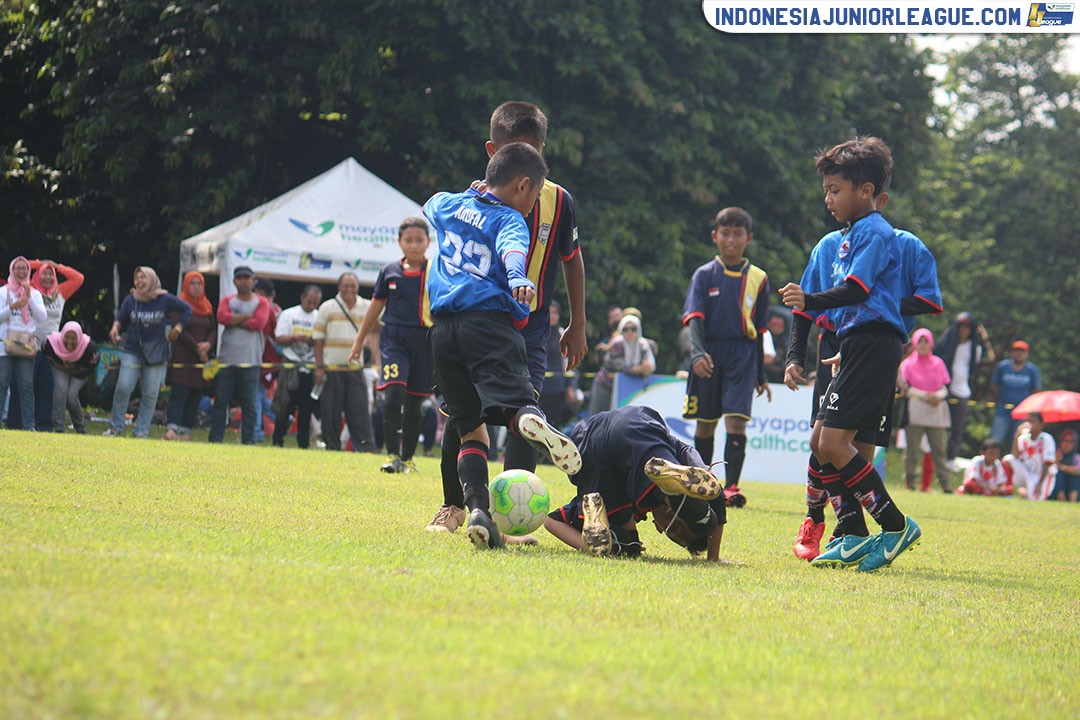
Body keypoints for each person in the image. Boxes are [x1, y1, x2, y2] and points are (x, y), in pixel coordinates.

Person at [426, 101, 588, 533]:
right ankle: (453, 505)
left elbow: (572, 258)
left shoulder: (558, 200)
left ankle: (503, 515)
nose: (529, 161)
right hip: (489, 321)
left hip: (528, 327)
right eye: (519, 149)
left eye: (536, 150)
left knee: (500, 416)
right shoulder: (482, 203)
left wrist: (578, 323)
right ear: (492, 150)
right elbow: (512, 252)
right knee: (468, 413)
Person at [779, 136, 920, 572]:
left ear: (866, 190)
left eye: (835, 190)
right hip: (856, 342)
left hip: (874, 342)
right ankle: (853, 531)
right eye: (826, 190)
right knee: (822, 442)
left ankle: (895, 525)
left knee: (833, 443)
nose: (828, 199)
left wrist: (809, 300)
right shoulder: (850, 234)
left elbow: (857, 289)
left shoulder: (875, 231)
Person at [543, 406, 725, 560]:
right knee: (703, 520)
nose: (674, 517)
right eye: (682, 517)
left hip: (592, 444)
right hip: (634, 431)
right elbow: (714, 491)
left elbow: (551, 521)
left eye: (675, 527)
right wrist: (714, 558)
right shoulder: (674, 461)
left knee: (627, 547)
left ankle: (618, 538)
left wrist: (590, 546)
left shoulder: (638, 505)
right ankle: (674, 494)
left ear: (659, 528)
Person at [682, 206, 770, 509]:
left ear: (748, 238)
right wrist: (697, 353)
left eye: (737, 234)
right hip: (709, 352)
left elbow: (760, 329)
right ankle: (705, 481)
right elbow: (695, 318)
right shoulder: (704, 274)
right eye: (725, 233)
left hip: (742, 355)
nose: (731, 240)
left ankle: (731, 487)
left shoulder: (759, 278)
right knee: (705, 423)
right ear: (715, 236)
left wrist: (760, 374)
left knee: (736, 422)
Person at [348, 216, 433, 472]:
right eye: (409, 240)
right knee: (394, 393)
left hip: (424, 340)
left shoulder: (435, 270)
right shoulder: (389, 271)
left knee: (415, 402)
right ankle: (392, 455)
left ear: (428, 242)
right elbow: (376, 306)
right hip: (394, 339)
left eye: (419, 240)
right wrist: (359, 340)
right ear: (399, 242)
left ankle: (407, 459)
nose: (414, 245)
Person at [106, 266, 192, 438]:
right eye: (137, 278)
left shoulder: (164, 299)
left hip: (156, 352)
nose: (139, 281)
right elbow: (121, 317)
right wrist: (115, 328)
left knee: (150, 393)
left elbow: (187, 310)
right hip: (133, 350)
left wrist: (178, 328)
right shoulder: (131, 299)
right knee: (123, 387)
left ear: (152, 279)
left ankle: (141, 432)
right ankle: (116, 427)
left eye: (143, 277)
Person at [313, 272, 376, 452]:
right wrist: (319, 367)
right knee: (330, 412)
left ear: (358, 287)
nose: (349, 289)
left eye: (353, 285)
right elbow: (317, 339)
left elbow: (380, 326)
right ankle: (332, 447)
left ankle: (365, 449)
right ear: (339, 287)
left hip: (355, 368)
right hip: (331, 368)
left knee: (359, 411)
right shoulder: (327, 307)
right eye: (346, 286)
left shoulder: (367, 306)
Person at [209, 266, 270, 445]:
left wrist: (234, 319)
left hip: (250, 360)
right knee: (221, 400)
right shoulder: (227, 300)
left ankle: (248, 440)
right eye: (240, 278)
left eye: (246, 278)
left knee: (249, 403)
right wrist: (247, 316)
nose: (243, 281)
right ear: (234, 281)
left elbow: (258, 323)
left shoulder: (261, 302)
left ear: (253, 280)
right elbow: (221, 317)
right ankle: (215, 438)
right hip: (226, 359)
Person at [27, 259, 85, 431]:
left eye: (50, 274)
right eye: (44, 273)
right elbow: (19, 268)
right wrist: (39, 263)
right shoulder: (30, 289)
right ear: (37, 275)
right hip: (30, 345)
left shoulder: (61, 292)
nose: (47, 277)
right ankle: (27, 422)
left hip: (52, 348)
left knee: (48, 387)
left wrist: (57, 266)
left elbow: (79, 278)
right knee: (28, 385)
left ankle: (44, 424)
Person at [933, 312, 994, 462]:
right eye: (961, 326)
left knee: (957, 428)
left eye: (967, 327)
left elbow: (974, 367)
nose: (963, 330)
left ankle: (950, 458)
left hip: (962, 390)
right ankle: (935, 458)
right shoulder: (946, 344)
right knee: (937, 427)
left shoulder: (975, 348)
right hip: (942, 389)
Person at [898, 328, 953, 493]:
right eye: (920, 341)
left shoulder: (938, 363)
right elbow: (905, 388)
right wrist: (925, 397)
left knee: (940, 450)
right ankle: (910, 483)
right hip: (915, 409)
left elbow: (945, 387)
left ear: (931, 343)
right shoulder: (907, 364)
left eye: (926, 341)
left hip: (936, 409)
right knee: (913, 450)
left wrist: (937, 396)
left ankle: (946, 485)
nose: (923, 345)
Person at [164, 271, 216, 441]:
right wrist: (197, 347)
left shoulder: (207, 306)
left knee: (195, 393)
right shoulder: (179, 304)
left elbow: (213, 329)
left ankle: (186, 430)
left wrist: (208, 345)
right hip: (183, 355)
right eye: (192, 283)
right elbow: (179, 329)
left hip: (201, 358)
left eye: (199, 284)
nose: (196, 287)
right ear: (186, 285)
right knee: (180, 392)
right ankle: (172, 428)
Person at [1, 256, 48, 429]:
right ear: (12, 270)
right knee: (2, 383)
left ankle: (29, 425)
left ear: (29, 271)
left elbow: (41, 317)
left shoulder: (34, 293)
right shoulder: (3, 292)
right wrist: (12, 307)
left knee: (26, 385)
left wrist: (28, 298)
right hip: (4, 343)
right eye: (17, 268)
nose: (21, 271)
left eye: (24, 268)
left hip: (25, 345)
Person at [272, 284, 322, 449]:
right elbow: (279, 338)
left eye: (315, 303)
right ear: (302, 297)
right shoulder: (289, 314)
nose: (311, 306)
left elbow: (321, 342)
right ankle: (277, 440)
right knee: (284, 404)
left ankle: (303, 444)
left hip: (309, 367)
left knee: (306, 408)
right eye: (309, 302)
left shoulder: (319, 317)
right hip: (290, 366)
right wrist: (296, 338)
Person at [587, 314, 655, 416]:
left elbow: (650, 366)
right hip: (605, 386)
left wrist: (642, 369)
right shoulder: (617, 343)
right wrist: (637, 369)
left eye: (633, 329)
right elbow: (614, 365)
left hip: (627, 388)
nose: (629, 332)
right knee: (599, 417)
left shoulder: (643, 345)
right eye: (626, 329)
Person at [42, 321, 98, 433]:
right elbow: (46, 355)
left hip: (80, 371)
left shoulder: (89, 347)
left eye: (74, 338)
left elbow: (91, 366)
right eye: (67, 337)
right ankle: (58, 427)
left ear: (79, 338)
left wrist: (75, 370)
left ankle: (80, 427)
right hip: (60, 367)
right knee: (60, 390)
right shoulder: (50, 343)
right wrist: (60, 366)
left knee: (72, 395)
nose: (69, 341)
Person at [989, 340, 1041, 445]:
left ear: (1027, 354)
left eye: (1022, 351)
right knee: (995, 440)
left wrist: (1032, 411)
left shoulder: (1032, 370)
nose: (1019, 353)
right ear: (1011, 352)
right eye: (1016, 350)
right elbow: (994, 385)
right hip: (1002, 410)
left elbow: (1036, 391)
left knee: (1020, 442)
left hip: (1023, 413)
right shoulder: (1003, 366)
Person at [252, 277, 281, 443]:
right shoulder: (278, 310)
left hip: (264, 360)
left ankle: (256, 433)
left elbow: (262, 338)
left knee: (255, 395)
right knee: (260, 394)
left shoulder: (265, 310)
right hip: (273, 362)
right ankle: (283, 418)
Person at [1003, 413, 1056, 501]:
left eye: (1033, 422)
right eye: (1028, 421)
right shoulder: (1024, 438)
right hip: (1028, 471)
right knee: (1008, 459)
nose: (1029, 424)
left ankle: (1025, 492)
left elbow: (1048, 462)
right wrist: (1017, 435)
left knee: (1035, 499)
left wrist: (1040, 484)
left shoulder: (1046, 438)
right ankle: (1007, 489)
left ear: (1041, 424)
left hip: (1043, 474)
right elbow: (1015, 455)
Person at [538, 300, 574, 433]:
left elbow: (567, 362)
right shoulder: (536, 333)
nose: (552, 316)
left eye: (555, 313)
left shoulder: (562, 334)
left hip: (557, 389)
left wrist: (570, 386)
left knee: (554, 427)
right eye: (550, 312)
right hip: (538, 388)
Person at [1051, 429, 1079, 502]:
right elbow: (1051, 468)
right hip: (1055, 489)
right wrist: (1057, 460)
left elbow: (1078, 471)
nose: (1067, 444)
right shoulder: (1053, 454)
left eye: (1070, 442)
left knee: (1074, 478)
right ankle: (1062, 500)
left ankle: (1072, 502)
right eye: (1065, 441)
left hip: (1072, 486)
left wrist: (1062, 467)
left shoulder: (1076, 458)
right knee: (1057, 475)